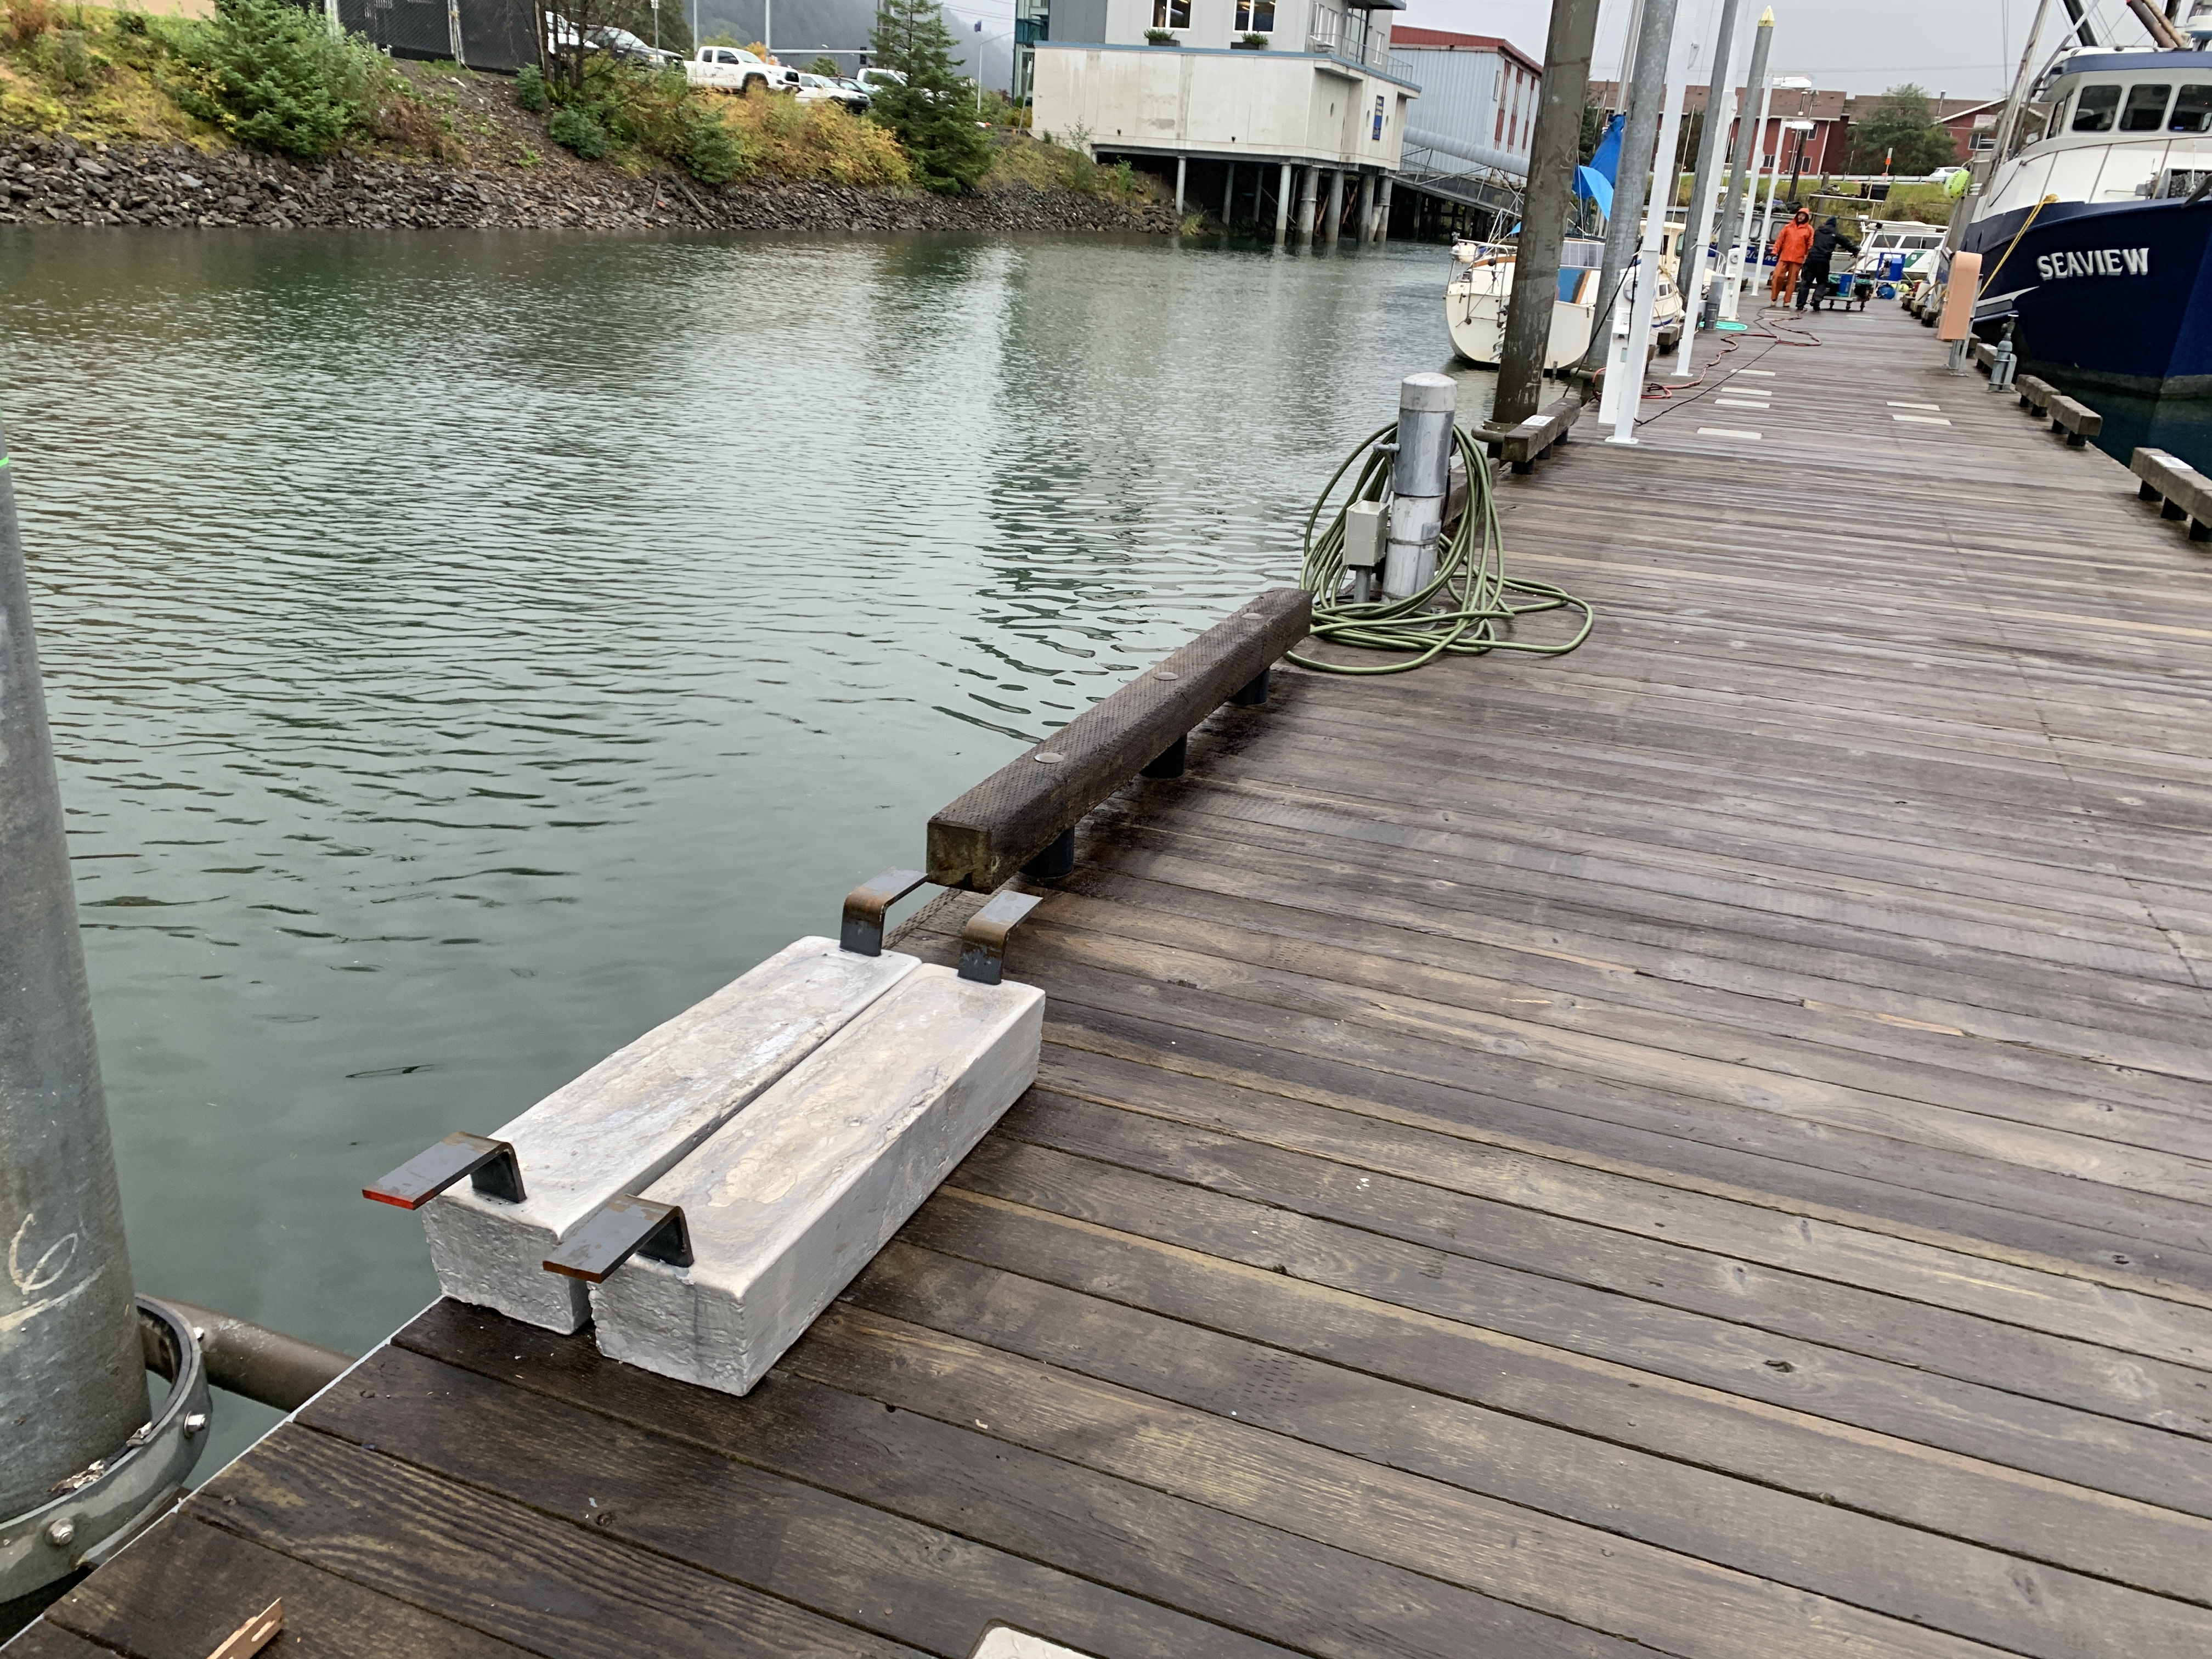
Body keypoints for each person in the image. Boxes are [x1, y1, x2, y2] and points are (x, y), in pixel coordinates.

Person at [1796, 216, 1861, 312]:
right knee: (1823, 282)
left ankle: (1800, 304)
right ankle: (1816, 300)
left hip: (1811, 258)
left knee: (1806, 282)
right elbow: (1847, 243)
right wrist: (1855, 250)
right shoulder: (1835, 234)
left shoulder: (1817, 232)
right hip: (1823, 260)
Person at [1768, 209, 1814, 306]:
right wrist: (1775, 251)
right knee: (1777, 276)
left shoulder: (1809, 229)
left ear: (1806, 218)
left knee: (1792, 281)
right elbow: (1780, 240)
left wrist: (1809, 256)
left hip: (1798, 258)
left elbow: (1810, 244)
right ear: (1797, 216)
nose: (1801, 217)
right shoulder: (1788, 227)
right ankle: (1774, 298)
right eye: (1800, 215)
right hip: (1784, 256)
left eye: (1803, 216)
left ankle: (1787, 301)